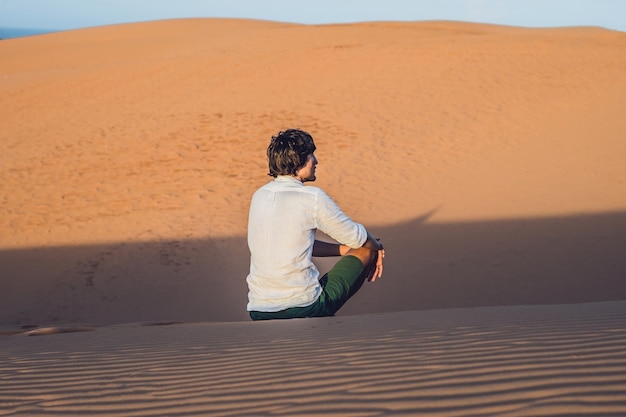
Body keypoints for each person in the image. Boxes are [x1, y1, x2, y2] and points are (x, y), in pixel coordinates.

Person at [246, 128, 385, 320]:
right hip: (305, 306)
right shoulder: (312, 197)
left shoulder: (260, 195)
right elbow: (357, 237)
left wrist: (345, 250)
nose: (316, 161)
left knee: (359, 246)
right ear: (299, 160)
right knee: (366, 249)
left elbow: (294, 245)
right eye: (311, 154)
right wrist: (377, 247)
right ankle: (321, 329)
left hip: (258, 309)